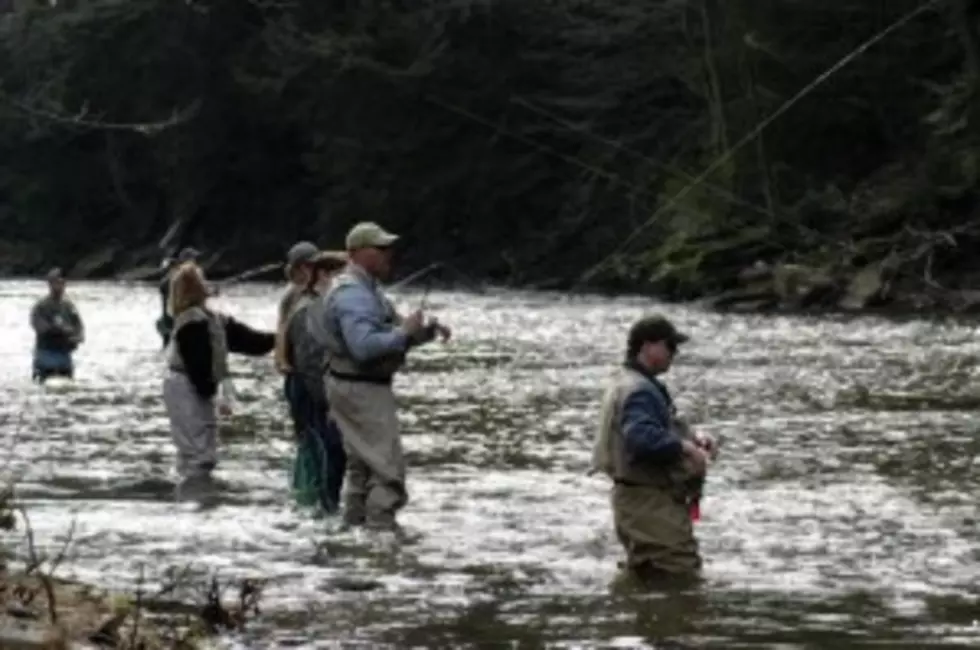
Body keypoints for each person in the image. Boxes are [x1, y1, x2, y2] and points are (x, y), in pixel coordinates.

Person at [310, 222, 450, 530]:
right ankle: (381, 542)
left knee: (362, 469)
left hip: (353, 386)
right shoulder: (352, 295)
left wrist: (423, 332)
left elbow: (385, 335)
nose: (390, 254)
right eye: (381, 248)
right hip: (361, 390)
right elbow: (364, 348)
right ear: (358, 253)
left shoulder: (366, 290)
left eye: (389, 248)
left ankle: (353, 536)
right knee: (388, 472)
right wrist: (404, 332)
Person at [591, 315, 717, 584]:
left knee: (647, 574)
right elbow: (640, 439)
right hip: (649, 503)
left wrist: (692, 438)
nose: (675, 352)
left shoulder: (626, 380)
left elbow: (645, 429)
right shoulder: (640, 390)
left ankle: (637, 621)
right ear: (648, 347)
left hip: (635, 502)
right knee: (680, 574)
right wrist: (685, 448)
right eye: (670, 345)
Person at [163, 261, 275, 501]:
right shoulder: (192, 324)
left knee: (199, 453)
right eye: (202, 281)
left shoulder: (213, 322)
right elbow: (199, 371)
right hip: (183, 387)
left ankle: (194, 497)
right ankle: (194, 499)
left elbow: (252, 342)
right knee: (197, 454)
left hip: (190, 386)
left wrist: (283, 337)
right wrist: (218, 396)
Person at [282, 250, 349, 513]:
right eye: (340, 277)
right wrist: (331, 403)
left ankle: (322, 506)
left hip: (313, 392)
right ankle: (324, 510)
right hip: (311, 395)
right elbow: (311, 366)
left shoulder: (319, 306)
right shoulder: (310, 309)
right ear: (323, 275)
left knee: (328, 453)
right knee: (326, 452)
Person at [30, 268, 85, 383]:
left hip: (64, 358)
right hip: (46, 355)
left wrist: (76, 337)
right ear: (49, 284)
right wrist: (60, 330)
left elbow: (79, 328)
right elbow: (39, 326)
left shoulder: (69, 307)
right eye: (56, 282)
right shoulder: (41, 307)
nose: (59, 286)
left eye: (62, 283)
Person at [156, 247, 201, 348]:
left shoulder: (174, 278)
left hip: (170, 320)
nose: (195, 262)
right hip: (174, 321)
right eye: (193, 259)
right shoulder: (177, 278)